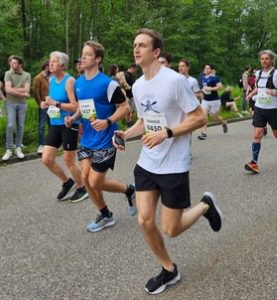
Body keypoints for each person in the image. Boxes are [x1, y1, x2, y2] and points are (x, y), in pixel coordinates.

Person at [114, 28, 222, 295]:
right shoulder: (137, 86)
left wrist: (168, 133)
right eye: (134, 45)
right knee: (144, 221)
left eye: (142, 45)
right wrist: (126, 134)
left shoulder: (174, 81)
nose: (136, 49)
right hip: (148, 162)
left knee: (171, 229)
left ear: (156, 52)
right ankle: (168, 269)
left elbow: (199, 118)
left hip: (174, 164)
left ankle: (205, 207)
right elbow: (144, 120)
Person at [65, 40, 136, 232]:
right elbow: (83, 107)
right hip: (87, 139)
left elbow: (125, 107)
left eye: (87, 54)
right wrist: (73, 118)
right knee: (86, 178)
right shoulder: (78, 83)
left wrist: (107, 122)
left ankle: (129, 190)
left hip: (106, 139)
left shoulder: (108, 83)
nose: (83, 57)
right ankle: (106, 215)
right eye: (82, 54)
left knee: (95, 181)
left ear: (97, 59)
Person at [40, 51, 88, 203]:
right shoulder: (52, 80)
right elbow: (52, 101)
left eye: (54, 61)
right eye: (50, 61)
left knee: (69, 160)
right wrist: (46, 103)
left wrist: (56, 103)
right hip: (55, 124)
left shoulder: (70, 81)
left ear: (62, 65)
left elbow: (76, 106)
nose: (50, 64)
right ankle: (67, 182)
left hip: (69, 124)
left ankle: (82, 188)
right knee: (46, 159)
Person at [244, 50, 277, 174]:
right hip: (259, 108)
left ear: (271, 60)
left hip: (273, 109)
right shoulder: (258, 73)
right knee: (257, 134)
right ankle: (254, 163)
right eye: (262, 59)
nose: (264, 61)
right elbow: (259, 88)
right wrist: (250, 95)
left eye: (266, 58)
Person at [2, 55, 31, 161]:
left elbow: (27, 90)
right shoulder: (8, 74)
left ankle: (18, 147)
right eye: (12, 63)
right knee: (10, 125)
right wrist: (21, 91)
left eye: (15, 63)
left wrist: (15, 89)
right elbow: (8, 90)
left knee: (20, 126)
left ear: (20, 64)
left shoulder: (27, 75)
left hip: (22, 104)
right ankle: (9, 149)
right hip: (10, 103)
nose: (12, 65)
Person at [198, 64, 227, 139]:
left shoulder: (215, 78)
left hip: (215, 101)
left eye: (208, 68)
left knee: (215, 117)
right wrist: (201, 92)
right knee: (204, 116)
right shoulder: (201, 78)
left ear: (211, 70)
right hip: (205, 100)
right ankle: (203, 133)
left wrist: (210, 89)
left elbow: (220, 87)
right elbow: (201, 88)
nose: (206, 69)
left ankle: (223, 123)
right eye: (205, 68)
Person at [33, 60, 50, 155]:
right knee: (42, 125)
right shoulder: (38, 78)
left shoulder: (52, 77)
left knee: (52, 124)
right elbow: (35, 92)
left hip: (53, 105)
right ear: (46, 66)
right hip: (43, 105)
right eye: (50, 66)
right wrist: (40, 103)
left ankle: (51, 143)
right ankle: (41, 144)